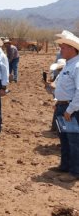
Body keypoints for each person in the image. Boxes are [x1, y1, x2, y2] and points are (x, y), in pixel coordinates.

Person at [50, 30, 79, 182]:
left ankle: (74, 172)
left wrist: (69, 109)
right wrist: (57, 101)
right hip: (62, 107)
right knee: (64, 139)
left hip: (71, 110)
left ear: (72, 49)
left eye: (63, 47)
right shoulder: (69, 65)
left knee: (73, 141)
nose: (61, 50)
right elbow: (63, 87)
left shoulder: (77, 66)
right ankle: (65, 166)